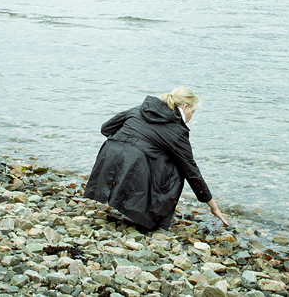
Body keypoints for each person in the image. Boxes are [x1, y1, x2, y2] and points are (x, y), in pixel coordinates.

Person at [84, 87, 228, 231]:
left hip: (107, 159)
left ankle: (124, 203)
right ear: (185, 107)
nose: (191, 117)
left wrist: (128, 140)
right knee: (178, 166)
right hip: (132, 163)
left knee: (145, 154)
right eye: (193, 112)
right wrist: (213, 207)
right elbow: (192, 171)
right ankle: (143, 213)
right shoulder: (177, 131)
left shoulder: (140, 109)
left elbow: (106, 129)